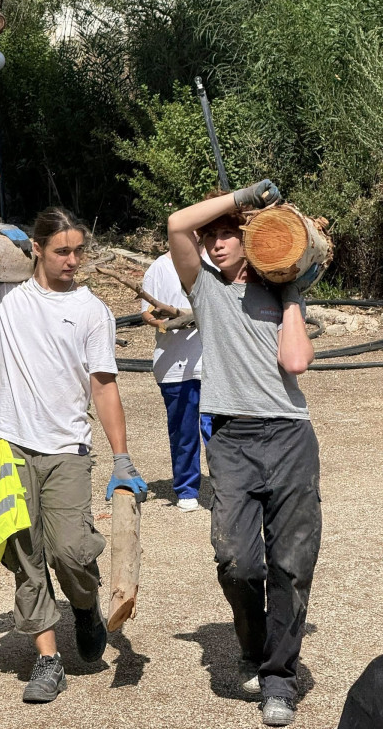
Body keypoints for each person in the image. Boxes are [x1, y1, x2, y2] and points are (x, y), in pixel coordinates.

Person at [0, 206, 147, 703]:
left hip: (65, 445)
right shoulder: (3, 296)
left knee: (69, 549)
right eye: (62, 250)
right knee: (26, 553)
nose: (72, 260)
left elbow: (104, 386)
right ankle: (48, 659)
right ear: (38, 250)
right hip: (7, 441)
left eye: (78, 251)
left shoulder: (92, 310)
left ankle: (84, 606)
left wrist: (121, 458)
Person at [168, 180, 322, 727]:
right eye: (210, 237)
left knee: (291, 564)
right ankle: (254, 647)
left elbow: (297, 363)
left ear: (249, 238)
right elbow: (175, 224)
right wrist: (244, 196)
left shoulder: (282, 288)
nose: (214, 244)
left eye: (226, 236)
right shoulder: (203, 288)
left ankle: (279, 678)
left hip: (289, 436)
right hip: (231, 438)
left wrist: (290, 293)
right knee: (237, 561)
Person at [140, 251, 212, 512]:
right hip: (173, 364)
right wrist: (165, 323)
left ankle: (226, 486)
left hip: (212, 364)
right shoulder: (159, 268)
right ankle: (186, 488)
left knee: (216, 429)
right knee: (183, 431)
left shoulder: (214, 263)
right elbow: (146, 313)